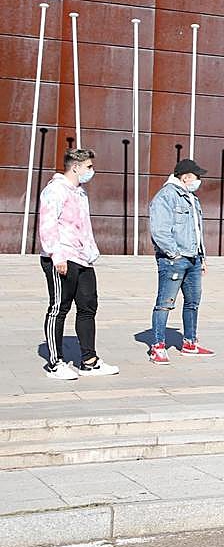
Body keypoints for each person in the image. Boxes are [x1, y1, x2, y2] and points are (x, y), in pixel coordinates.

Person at [37, 148, 119, 379]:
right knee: (59, 308)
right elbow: (48, 223)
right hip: (62, 257)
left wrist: (91, 253)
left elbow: (83, 227)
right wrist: (56, 255)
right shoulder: (55, 190)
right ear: (75, 167)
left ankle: (89, 361)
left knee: (87, 307)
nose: (92, 171)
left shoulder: (80, 193)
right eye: (89, 167)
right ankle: (55, 363)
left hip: (83, 259)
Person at [148, 158, 213, 364]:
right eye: (196, 176)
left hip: (193, 259)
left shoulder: (192, 199)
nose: (199, 181)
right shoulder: (166, 196)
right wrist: (174, 254)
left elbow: (196, 230)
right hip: (174, 260)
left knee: (193, 302)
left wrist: (202, 256)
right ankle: (158, 346)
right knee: (165, 304)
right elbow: (159, 230)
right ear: (185, 177)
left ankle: (190, 342)